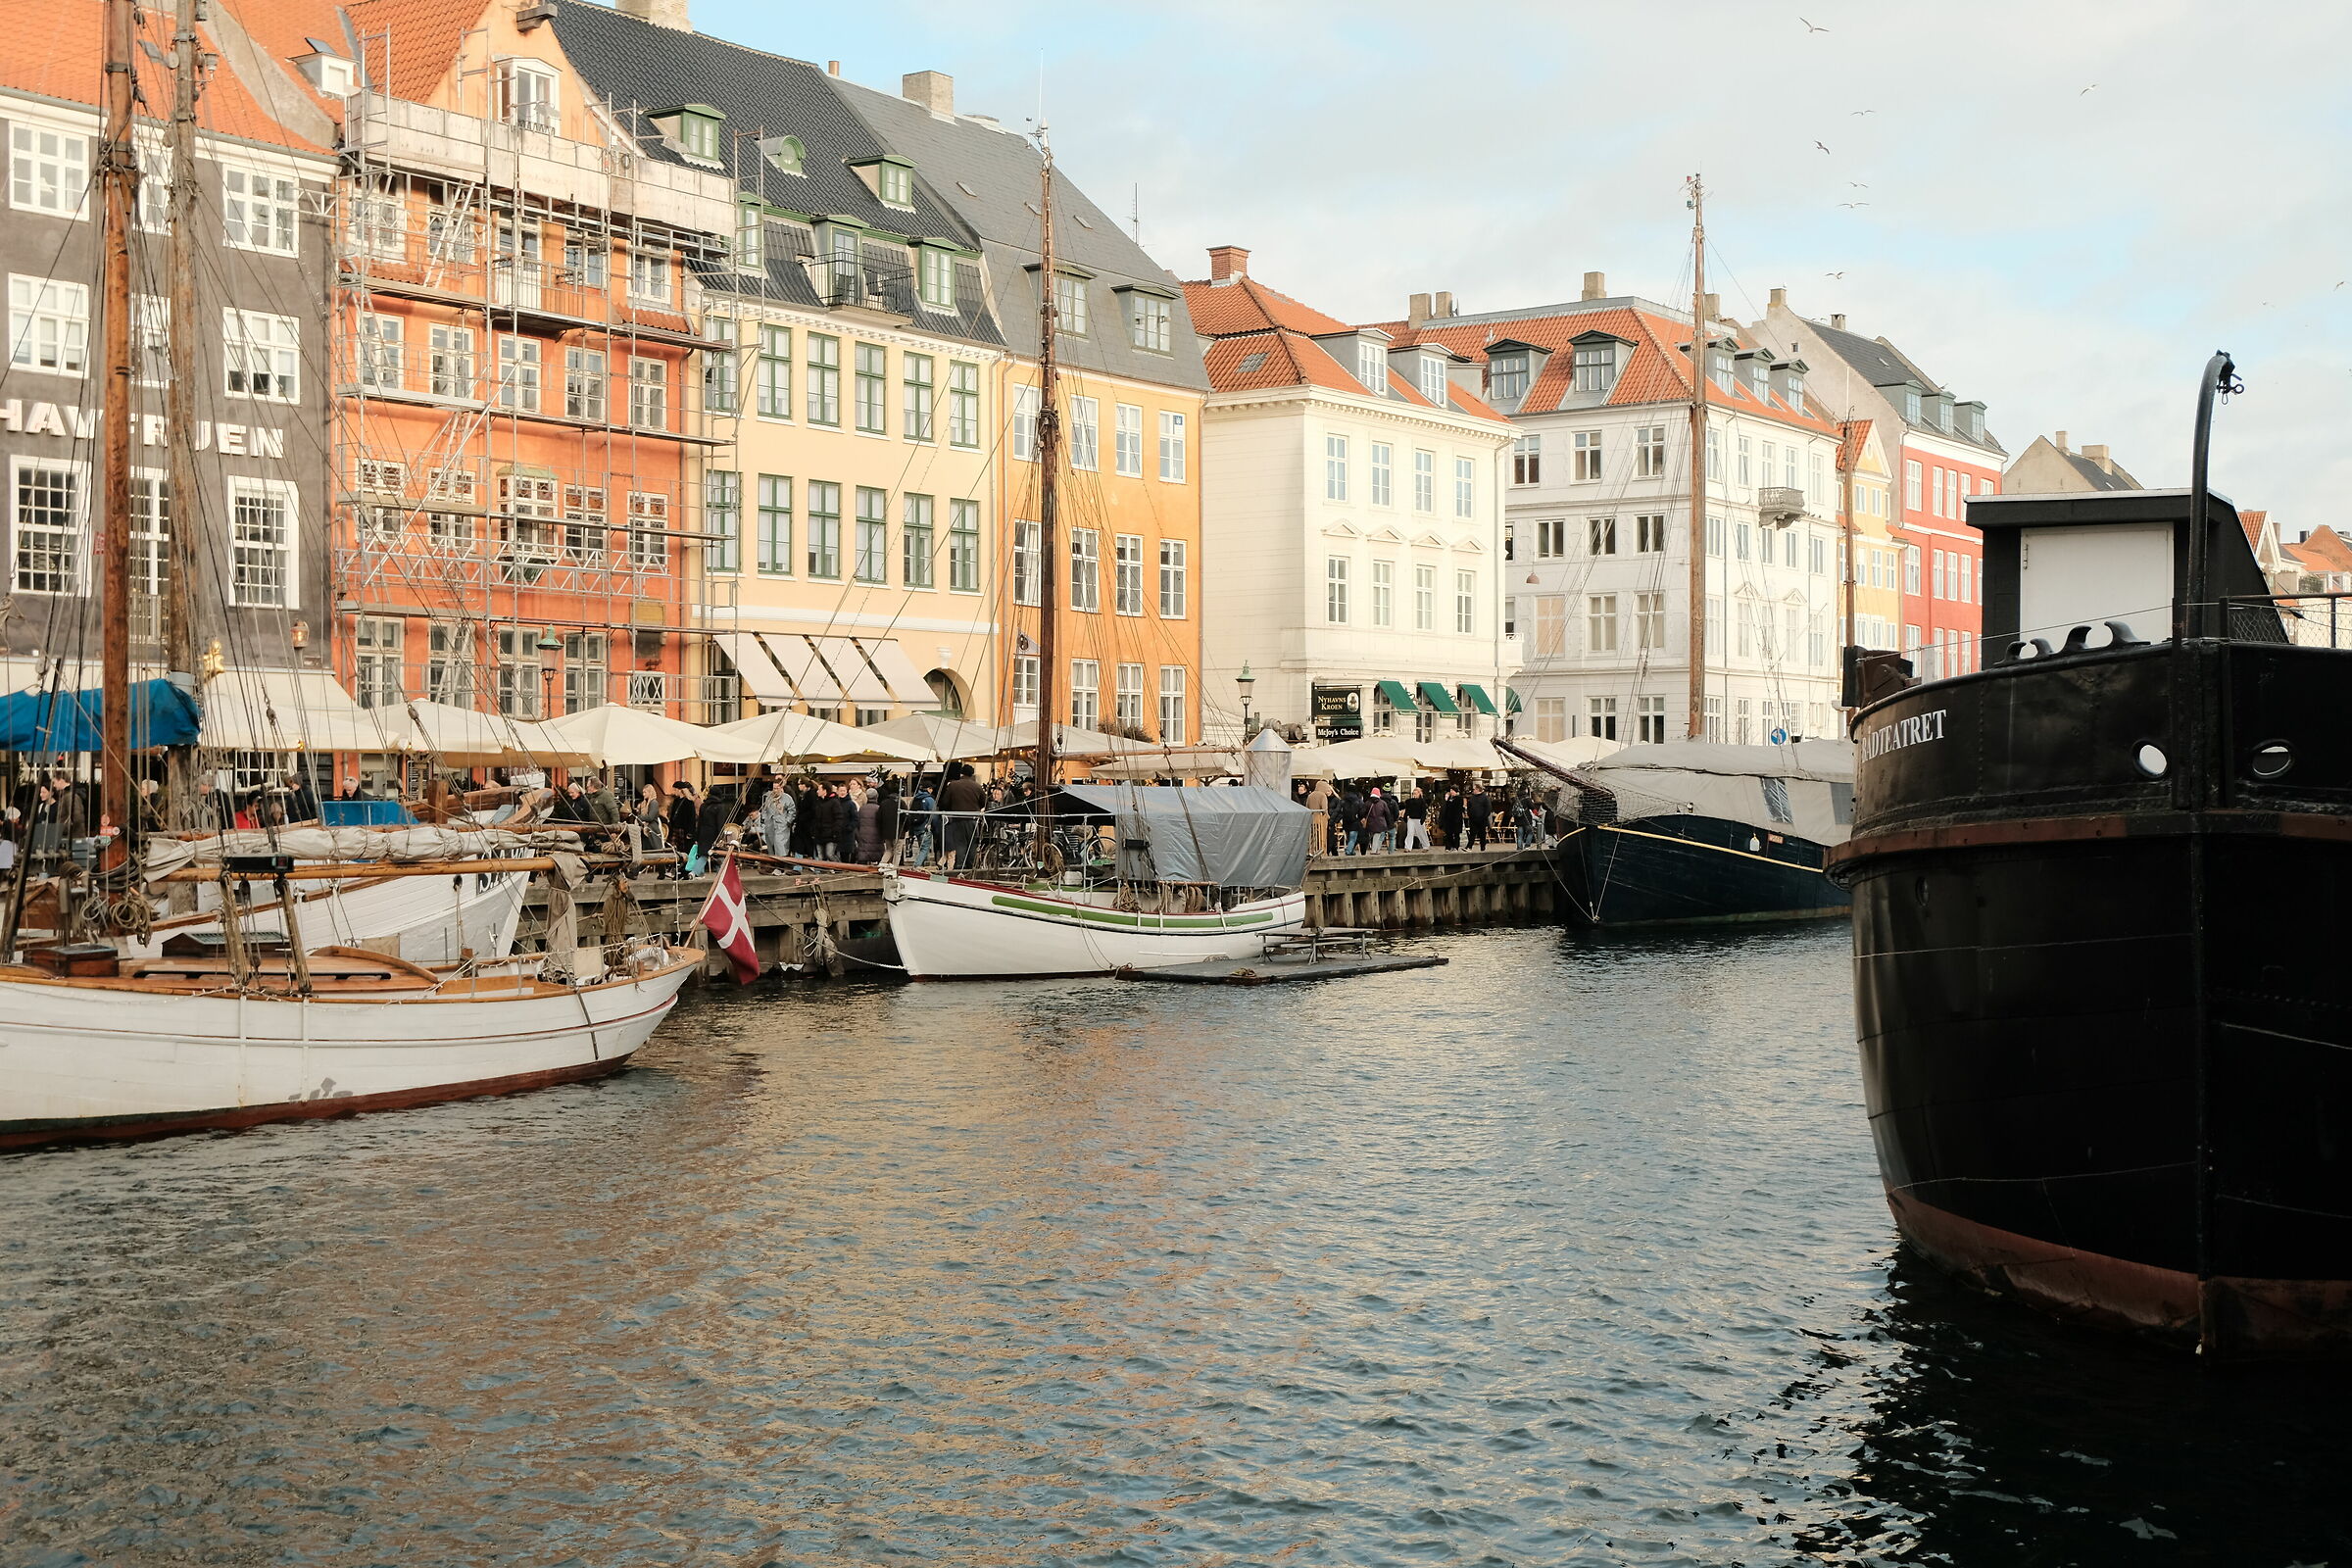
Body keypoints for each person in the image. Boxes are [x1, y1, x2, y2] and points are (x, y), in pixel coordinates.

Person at [939, 762, 986, 866]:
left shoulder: (953, 785)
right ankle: (970, 865)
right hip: (973, 819)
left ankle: (960, 865)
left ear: (961, 773)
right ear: (972, 774)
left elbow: (945, 802)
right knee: (972, 844)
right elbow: (983, 802)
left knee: (960, 844)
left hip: (958, 819)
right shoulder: (977, 787)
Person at [757, 772, 797, 857]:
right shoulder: (768, 797)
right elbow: (764, 810)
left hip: (782, 825)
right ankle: (773, 863)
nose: (775, 790)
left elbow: (792, 811)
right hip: (770, 825)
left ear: (781, 787)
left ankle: (782, 864)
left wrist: (787, 821)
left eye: (777, 788)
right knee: (770, 845)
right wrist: (764, 820)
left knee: (781, 846)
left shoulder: (787, 798)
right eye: (774, 788)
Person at [664, 781, 700, 876]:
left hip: (684, 830)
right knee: (673, 849)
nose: (674, 791)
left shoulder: (689, 802)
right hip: (675, 828)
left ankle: (684, 871)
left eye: (675, 789)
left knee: (685, 851)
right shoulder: (675, 801)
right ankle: (673, 869)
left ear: (680, 790)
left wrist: (690, 833)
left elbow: (691, 819)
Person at [1304, 776, 1336, 857]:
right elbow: (1324, 809)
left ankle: (1310, 850)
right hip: (1320, 820)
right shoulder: (1322, 795)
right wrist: (1328, 817)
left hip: (1311, 819)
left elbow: (1307, 807)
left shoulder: (1310, 795)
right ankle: (1321, 852)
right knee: (1321, 837)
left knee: (1312, 836)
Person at [876, 778, 902, 865]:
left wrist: (881, 831)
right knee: (897, 851)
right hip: (899, 832)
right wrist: (905, 830)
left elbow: (878, 818)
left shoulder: (884, 803)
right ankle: (894, 867)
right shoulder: (901, 803)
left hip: (886, 832)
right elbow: (906, 818)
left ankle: (882, 864)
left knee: (888, 849)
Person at [1361, 786, 1393, 854]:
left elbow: (1362, 812)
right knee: (1377, 835)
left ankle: (1373, 849)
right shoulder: (1383, 803)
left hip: (1370, 823)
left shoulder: (1367, 803)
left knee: (1372, 836)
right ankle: (1374, 850)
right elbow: (1387, 814)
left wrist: (1363, 817)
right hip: (1380, 823)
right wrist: (1389, 823)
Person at [1400, 786, 1432, 852]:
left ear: (1419, 794)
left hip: (1419, 819)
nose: (1414, 795)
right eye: (1413, 793)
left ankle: (1426, 846)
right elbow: (1407, 810)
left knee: (1421, 833)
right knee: (1410, 833)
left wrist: (1423, 819)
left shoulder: (1422, 802)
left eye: (1416, 793)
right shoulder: (1409, 802)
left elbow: (1423, 811)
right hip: (1411, 819)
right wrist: (1405, 816)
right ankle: (1408, 847)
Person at [1465, 782, 1493, 850]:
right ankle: (1469, 846)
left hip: (1482, 819)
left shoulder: (1485, 798)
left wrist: (1484, 816)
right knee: (1472, 834)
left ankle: (1482, 846)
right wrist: (1470, 814)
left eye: (1474, 789)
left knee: (1482, 834)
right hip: (1473, 819)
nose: (1473, 790)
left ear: (1477, 789)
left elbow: (1488, 808)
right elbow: (1469, 806)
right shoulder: (1472, 797)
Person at [1438, 786, 1464, 851]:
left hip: (1456, 819)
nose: (1451, 792)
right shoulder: (1449, 798)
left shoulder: (1459, 798)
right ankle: (1448, 846)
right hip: (1449, 820)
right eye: (1451, 790)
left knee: (1456, 834)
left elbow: (1458, 809)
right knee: (1449, 834)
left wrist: (1457, 819)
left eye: (1452, 790)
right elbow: (1447, 808)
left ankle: (1456, 846)